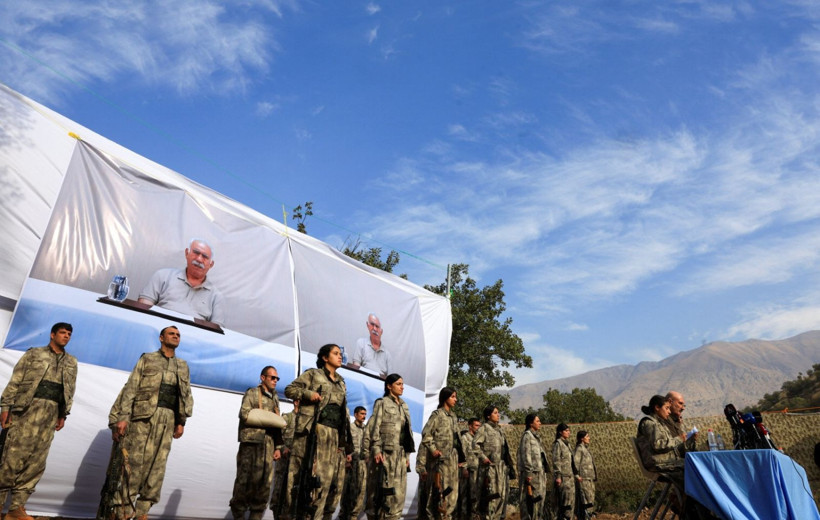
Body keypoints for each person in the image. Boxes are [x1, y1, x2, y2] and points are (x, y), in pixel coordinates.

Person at [103, 325, 194, 520]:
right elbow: (131, 388)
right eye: (172, 333)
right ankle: (123, 510)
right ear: (161, 338)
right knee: (134, 464)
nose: (176, 337)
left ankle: (143, 511)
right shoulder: (147, 359)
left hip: (168, 420)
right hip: (144, 418)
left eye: (178, 335)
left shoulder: (183, 366)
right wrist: (124, 417)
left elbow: (184, 395)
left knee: (157, 466)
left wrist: (181, 421)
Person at [0, 322, 78, 520]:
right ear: (52, 335)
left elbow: (69, 390)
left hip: (50, 415)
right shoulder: (34, 354)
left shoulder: (71, 362)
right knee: (10, 459)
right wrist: (5, 407)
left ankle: (16, 509)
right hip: (25, 411)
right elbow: (15, 381)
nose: (66, 336)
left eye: (69, 334)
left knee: (36, 462)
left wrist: (63, 414)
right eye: (62, 333)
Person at [283, 344, 352, 520]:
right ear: (325, 357)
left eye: (340, 354)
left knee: (323, 483)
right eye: (335, 353)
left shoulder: (341, 382)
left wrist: (342, 442)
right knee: (304, 482)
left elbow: (342, 413)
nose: (339, 356)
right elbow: (289, 389)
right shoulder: (313, 374)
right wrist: (308, 394)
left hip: (332, 437)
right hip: (312, 433)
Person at [229, 366, 284, 520]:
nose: (275, 381)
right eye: (272, 377)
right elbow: (245, 414)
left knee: (264, 485)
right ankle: (238, 515)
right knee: (244, 481)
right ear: (263, 377)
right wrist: (266, 418)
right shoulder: (252, 393)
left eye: (277, 378)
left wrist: (278, 447)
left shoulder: (275, 398)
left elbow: (277, 423)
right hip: (251, 445)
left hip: (269, 444)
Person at [138, 238, 225, 325]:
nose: (199, 259)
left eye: (205, 257)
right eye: (196, 252)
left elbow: (216, 330)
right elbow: (143, 307)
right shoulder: (162, 276)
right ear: (187, 253)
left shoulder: (216, 297)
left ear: (211, 264)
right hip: (158, 330)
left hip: (192, 337)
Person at [364, 374, 414, 520]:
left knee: (398, 493)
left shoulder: (404, 405)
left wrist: (407, 456)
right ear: (389, 386)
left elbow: (407, 433)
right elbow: (375, 428)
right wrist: (376, 449)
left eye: (402, 384)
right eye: (398, 384)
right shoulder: (382, 403)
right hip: (386, 454)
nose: (402, 387)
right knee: (382, 492)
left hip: (400, 454)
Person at [420, 387, 460, 520]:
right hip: (439, 463)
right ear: (445, 398)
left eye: (455, 397)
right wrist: (433, 449)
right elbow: (426, 434)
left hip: (452, 463)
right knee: (438, 496)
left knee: (451, 496)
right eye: (453, 397)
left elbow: (457, 440)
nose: (455, 399)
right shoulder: (437, 415)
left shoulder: (453, 417)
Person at [473, 405, 513, 520]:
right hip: (489, 468)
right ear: (488, 416)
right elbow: (475, 445)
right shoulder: (484, 428)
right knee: (491, 497)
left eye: (498, 412)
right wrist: (483, 458)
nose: (498, 415)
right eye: (495, 413)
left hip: (500, 468)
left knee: (501, 497)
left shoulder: (499, 430)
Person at [270, 398, 299, 519]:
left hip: (297, 462)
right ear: (296, 402)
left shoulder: (306, 421)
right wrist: (283, 449)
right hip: (284, 461)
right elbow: (278, 436)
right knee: (279, 490)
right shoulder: (287, 417)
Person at [338, 406, 368, 520]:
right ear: (355, 415)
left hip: (362, 465)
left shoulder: (366, 429)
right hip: (350, 464)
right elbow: (343, 444)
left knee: (360, 492)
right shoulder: (349, 428)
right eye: (361, 414)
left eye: (365, 414)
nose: (364, 416)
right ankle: (343, 515)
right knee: (347, 493)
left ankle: (354, 516)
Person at [517, 414, 549, 520]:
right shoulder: (527, 436)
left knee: (540, 504)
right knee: (531, 504)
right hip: (532, 475)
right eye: (538, 421)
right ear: (531, 423)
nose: (540, 423)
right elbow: (526, 455)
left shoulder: (536, 437)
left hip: (539, 474)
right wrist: (528, 473)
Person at [456, 418, 480, 520]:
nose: (478, 428)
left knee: (474, 496)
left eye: (479, 426)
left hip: (476, 471)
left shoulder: (478, 439)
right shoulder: (465, 438)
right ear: (470, 426)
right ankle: (463, 516)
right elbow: (462, 454)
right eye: (476, 425)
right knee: (464, 495)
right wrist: (464, 468)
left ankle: (473, 516)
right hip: (466, 471)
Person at [552, 423, 575, 520]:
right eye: (566, 430)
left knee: (570, 504)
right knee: (564, 504)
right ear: (560, 432)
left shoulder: (567, 444)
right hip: (563, 478)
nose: (568, 432)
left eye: (569, 430)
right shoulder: (558, 444)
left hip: (570, 477)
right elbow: (556, 460)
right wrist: (558, 476)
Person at [573, 430, 596, 520]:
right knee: (586, 502)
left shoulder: (585, 449)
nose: (589, 438)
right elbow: (575, 463)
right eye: (587, 436)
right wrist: (577, 476)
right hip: (584, 480)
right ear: (582, 439)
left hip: (589, 479)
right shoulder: (580, 449)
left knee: (590, 501)